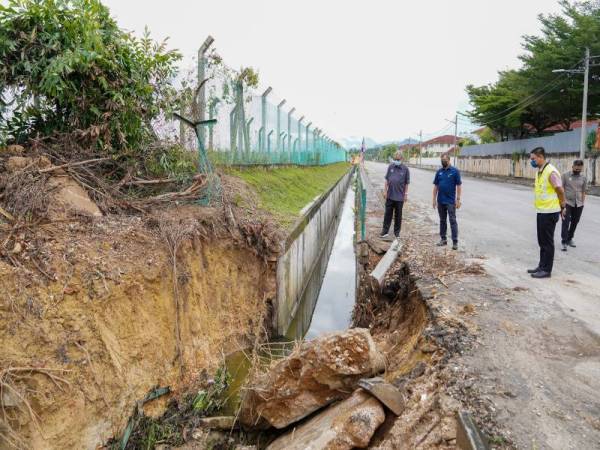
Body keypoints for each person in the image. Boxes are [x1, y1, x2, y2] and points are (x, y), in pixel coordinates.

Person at [527, 147, 566, 278]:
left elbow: (560, 190)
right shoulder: (540, 171)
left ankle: (546, 270)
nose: (531, 161)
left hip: (550, 212)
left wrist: (563, 205)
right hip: (542, 211)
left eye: (533, 159)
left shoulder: (551, 172)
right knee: (541, 241)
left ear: (540, 157)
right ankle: (541, 265)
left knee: (547, 242)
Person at [432, 153, 462, 250]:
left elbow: (459, 185)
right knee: (442, 220)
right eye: (442, 160)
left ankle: (455, 242)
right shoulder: (439, 172)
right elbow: (436, 186)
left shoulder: (455, 171)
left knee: (452, 221)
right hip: (440, 201)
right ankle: (443, 239)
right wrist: (433, 199)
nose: (443, 161)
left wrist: (458, 199)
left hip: (450, 201)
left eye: (444, 160)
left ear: (449, 160)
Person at [380, 151, 410, 239]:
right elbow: (386, 180)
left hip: (400, 197)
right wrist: (385, 191)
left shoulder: (405, 169)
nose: (396, 160)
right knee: (387, 214)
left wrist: (406, 194)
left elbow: (407, 183)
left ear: (402, 159)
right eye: (395, 159)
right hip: (390, 196)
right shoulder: (390, 167)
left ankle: (397, 233)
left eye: (398, 159)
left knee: (398, 216)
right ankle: (385, 231)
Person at [561, 159, 587, 251]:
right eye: (576, 169)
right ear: (572, 167)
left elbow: (584, 191)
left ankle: (569, 238)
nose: (578, 171)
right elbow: (561, 189)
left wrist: (582, 203)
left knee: (575, 222)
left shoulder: (583, 177)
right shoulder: (565, 175)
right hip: (567, 202)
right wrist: (562, 202)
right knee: (565, 222)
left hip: (579, 203)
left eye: (579, 170)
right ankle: (564, 241)